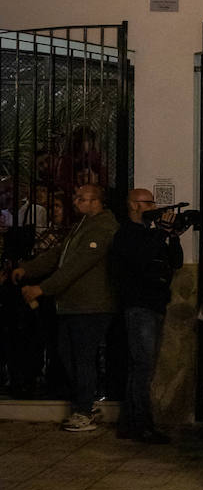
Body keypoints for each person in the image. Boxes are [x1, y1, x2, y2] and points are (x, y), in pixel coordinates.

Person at [13, 183, 119, 430]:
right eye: (76, 196)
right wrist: (29, 268)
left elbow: (76, 265)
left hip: (90, 306)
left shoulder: (103, 228)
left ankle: (84, 408)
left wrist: (42, 288)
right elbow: (59, 255)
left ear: (96, 201)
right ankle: (86, 403)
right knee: (67, 354)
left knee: (82, 358)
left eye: (81, 197)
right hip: (72, 304)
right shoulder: (82, 226)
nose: (75, 201)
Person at [109, 187, 184, 443]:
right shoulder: (127, 234)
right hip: (139, 307)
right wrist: (161, 232)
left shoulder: (150, 234)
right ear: (133, 205)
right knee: (142, 366)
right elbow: (140, 259)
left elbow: (175, 262)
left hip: (154, 305)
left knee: (142, 367)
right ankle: (139, 424)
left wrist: (172, 236)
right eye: (148, 202)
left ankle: (131, 424)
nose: (154, 206)